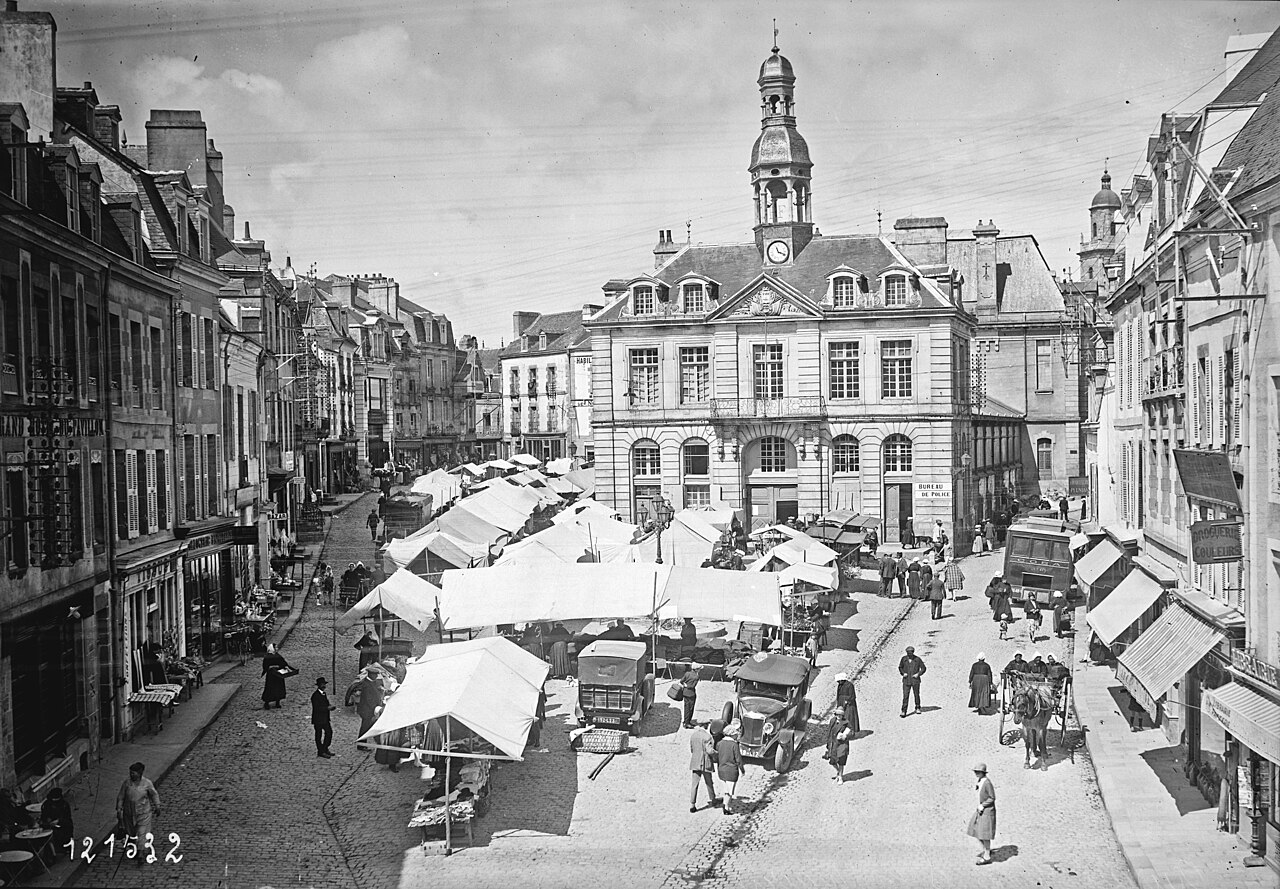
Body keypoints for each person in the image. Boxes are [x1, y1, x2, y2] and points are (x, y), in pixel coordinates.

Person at [116, 762, 161, 850]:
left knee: (142, 832)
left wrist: (157, 805)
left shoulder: (147, 783)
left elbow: (154, 795)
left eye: (133, 773)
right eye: (130, 773)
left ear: (139, 773)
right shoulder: (127, 783)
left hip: (143, 813)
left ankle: (141, 851)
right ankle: (133, 848)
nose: (131, 775)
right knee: (131, 833)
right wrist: (119, 808)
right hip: (129, 813)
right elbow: (121, 796)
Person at [967, 763, 997, 865]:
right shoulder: (981, 781)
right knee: (975, 829)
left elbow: (992, 798)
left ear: (983, 773)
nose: (976, 774)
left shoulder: (987, 783)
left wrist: (983, 805)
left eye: (978, 772)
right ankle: (987, 849)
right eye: (975, 772)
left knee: (984, 834)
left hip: (987, 811)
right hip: (981, 810)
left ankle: (987, 856)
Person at [688, 721, 720, 812]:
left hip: (695, 761)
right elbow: (709, 751)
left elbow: (691, 748)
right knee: (709, 782)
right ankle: (713, 799)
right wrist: (717, 754)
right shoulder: (707, 737)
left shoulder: (693, 736)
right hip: (705, 762)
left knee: (694, 784)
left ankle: (692, 804)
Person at [715, 722, 744, 813]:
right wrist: (742, 770)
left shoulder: (719, 744)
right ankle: (726, 807)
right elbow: (738, 759)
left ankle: (726, 805)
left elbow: (717, 757)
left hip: (721, 770)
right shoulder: (734, 745)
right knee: (729, 792)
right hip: (731, 771)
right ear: (732, 735)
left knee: (725, 789)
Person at [355, 668, 385, 746]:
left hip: (369, 709)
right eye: (375, 675)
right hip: (367, 710)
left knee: (367, 726)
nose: (376, 676)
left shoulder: (372, 682)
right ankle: (361, 744)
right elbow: (369, 699)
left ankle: (363, 743)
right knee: (365, 727)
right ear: (370, 675)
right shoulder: (366, 684)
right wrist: (376, 707)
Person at [260, 643, 293, 710]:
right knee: (270, 689)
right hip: (271, 676)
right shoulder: (267, 657)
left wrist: (284, 667)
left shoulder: (278, 656)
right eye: (276, 647)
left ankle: (277, 702)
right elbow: (265, 666)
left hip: (278, 675)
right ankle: (267, 702)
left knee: (279, 688)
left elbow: (283, 663)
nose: (277, 649)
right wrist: (271, 667)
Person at [311, 677, 336, 758]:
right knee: (318, 735)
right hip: (318, 719)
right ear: (318, 685)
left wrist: (330, 706)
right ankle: (320, 751)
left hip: (325, 718)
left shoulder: (324, 694)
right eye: (322, 684)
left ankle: (325, 748)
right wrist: (327, 708)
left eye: (324, 684)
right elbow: (317, 708)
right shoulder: (315, 696)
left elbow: (326, 703)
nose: (323, 686)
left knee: (329, 733)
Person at [899, 646, 926, 717]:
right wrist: (903, 673)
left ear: (913, 652)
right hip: (906, 681)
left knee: (916, 695)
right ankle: (903, 711)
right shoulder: (903, 659)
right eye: (908, 653)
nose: (909, 654)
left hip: (915, 681)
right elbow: (900, 667)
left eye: (910, 653)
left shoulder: (917, 659)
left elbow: (923, 668)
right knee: (905, 696)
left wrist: (918, 674)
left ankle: (917, 707)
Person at [825, 714, 852, 783]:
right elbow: (829, 732)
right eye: (837, 715)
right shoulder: (833, 721)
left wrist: (844, 735)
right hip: (833, 744)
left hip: (842, 745)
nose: (839, 716)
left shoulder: (846, 723)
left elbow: (852, 732)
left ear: (843, 715)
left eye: (840, 715)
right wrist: (828, 743)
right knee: (832, 761)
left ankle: (840, 777)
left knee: (841, 762)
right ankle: (838, 772)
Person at [679, 663, 701, 729]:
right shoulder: (696, 677)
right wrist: (688, 685)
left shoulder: (687, 673)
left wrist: (685, 685)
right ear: (697, 669)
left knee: (686, 707)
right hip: (691, 693)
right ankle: (687, 722)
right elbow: (692, 686)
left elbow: (681, 681)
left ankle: (685, 721)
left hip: (685, 692)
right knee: (690, 708)